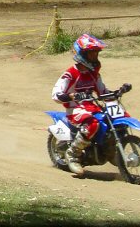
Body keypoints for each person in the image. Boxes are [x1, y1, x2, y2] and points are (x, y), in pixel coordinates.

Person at [51, 33, 130, 177]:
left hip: (92, 107)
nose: (95, 56)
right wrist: (71, 96)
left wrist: (118, 92)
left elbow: (102, 92)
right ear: (82, 54)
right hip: (74, 110)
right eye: (91, 53)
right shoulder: (70, 74)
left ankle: (111, 151)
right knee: (93, 124)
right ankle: (72, 154)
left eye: (96, 53)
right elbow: (56, 94)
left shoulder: (94, 74)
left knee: (115, 121)